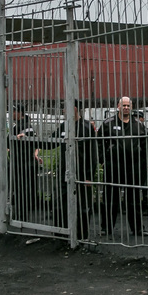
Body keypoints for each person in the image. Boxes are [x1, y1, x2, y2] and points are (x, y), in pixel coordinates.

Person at [97, 97, 148, 237]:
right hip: (113, 166)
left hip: (133, 167)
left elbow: (146, 145)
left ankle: (138, 228)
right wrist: (103, 160)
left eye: (128, 105)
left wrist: (147, 163)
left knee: (133, 199)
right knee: (110, 198)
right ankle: (106, 228)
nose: (126, 108)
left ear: (131, 107)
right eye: (124, 105)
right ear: (118, 106)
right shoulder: (108, 124)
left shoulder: (138, 126)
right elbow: (98, 144)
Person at [49, 101, 97, 239]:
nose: (63, 111)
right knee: (61, 202)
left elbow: (93, 154)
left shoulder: (87, 127)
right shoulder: (64, 126)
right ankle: (61, 234)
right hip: (65, 171)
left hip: (82, 172)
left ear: (74, 108)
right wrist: (27, 140)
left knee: (83, 206)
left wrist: (89, 176)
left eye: (65, 108)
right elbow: (50, 142)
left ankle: (81, 235)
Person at [9, 103, 41, 216]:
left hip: (24, 161)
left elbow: (32, 140)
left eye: (14, 111)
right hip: (20, 161)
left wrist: (22, 138)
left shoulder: (26, 126)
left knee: (24, 187)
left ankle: (22, 212)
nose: (12, 114)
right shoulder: (16, 125)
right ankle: (21, 209)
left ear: (19, 113)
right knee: (21, 187)